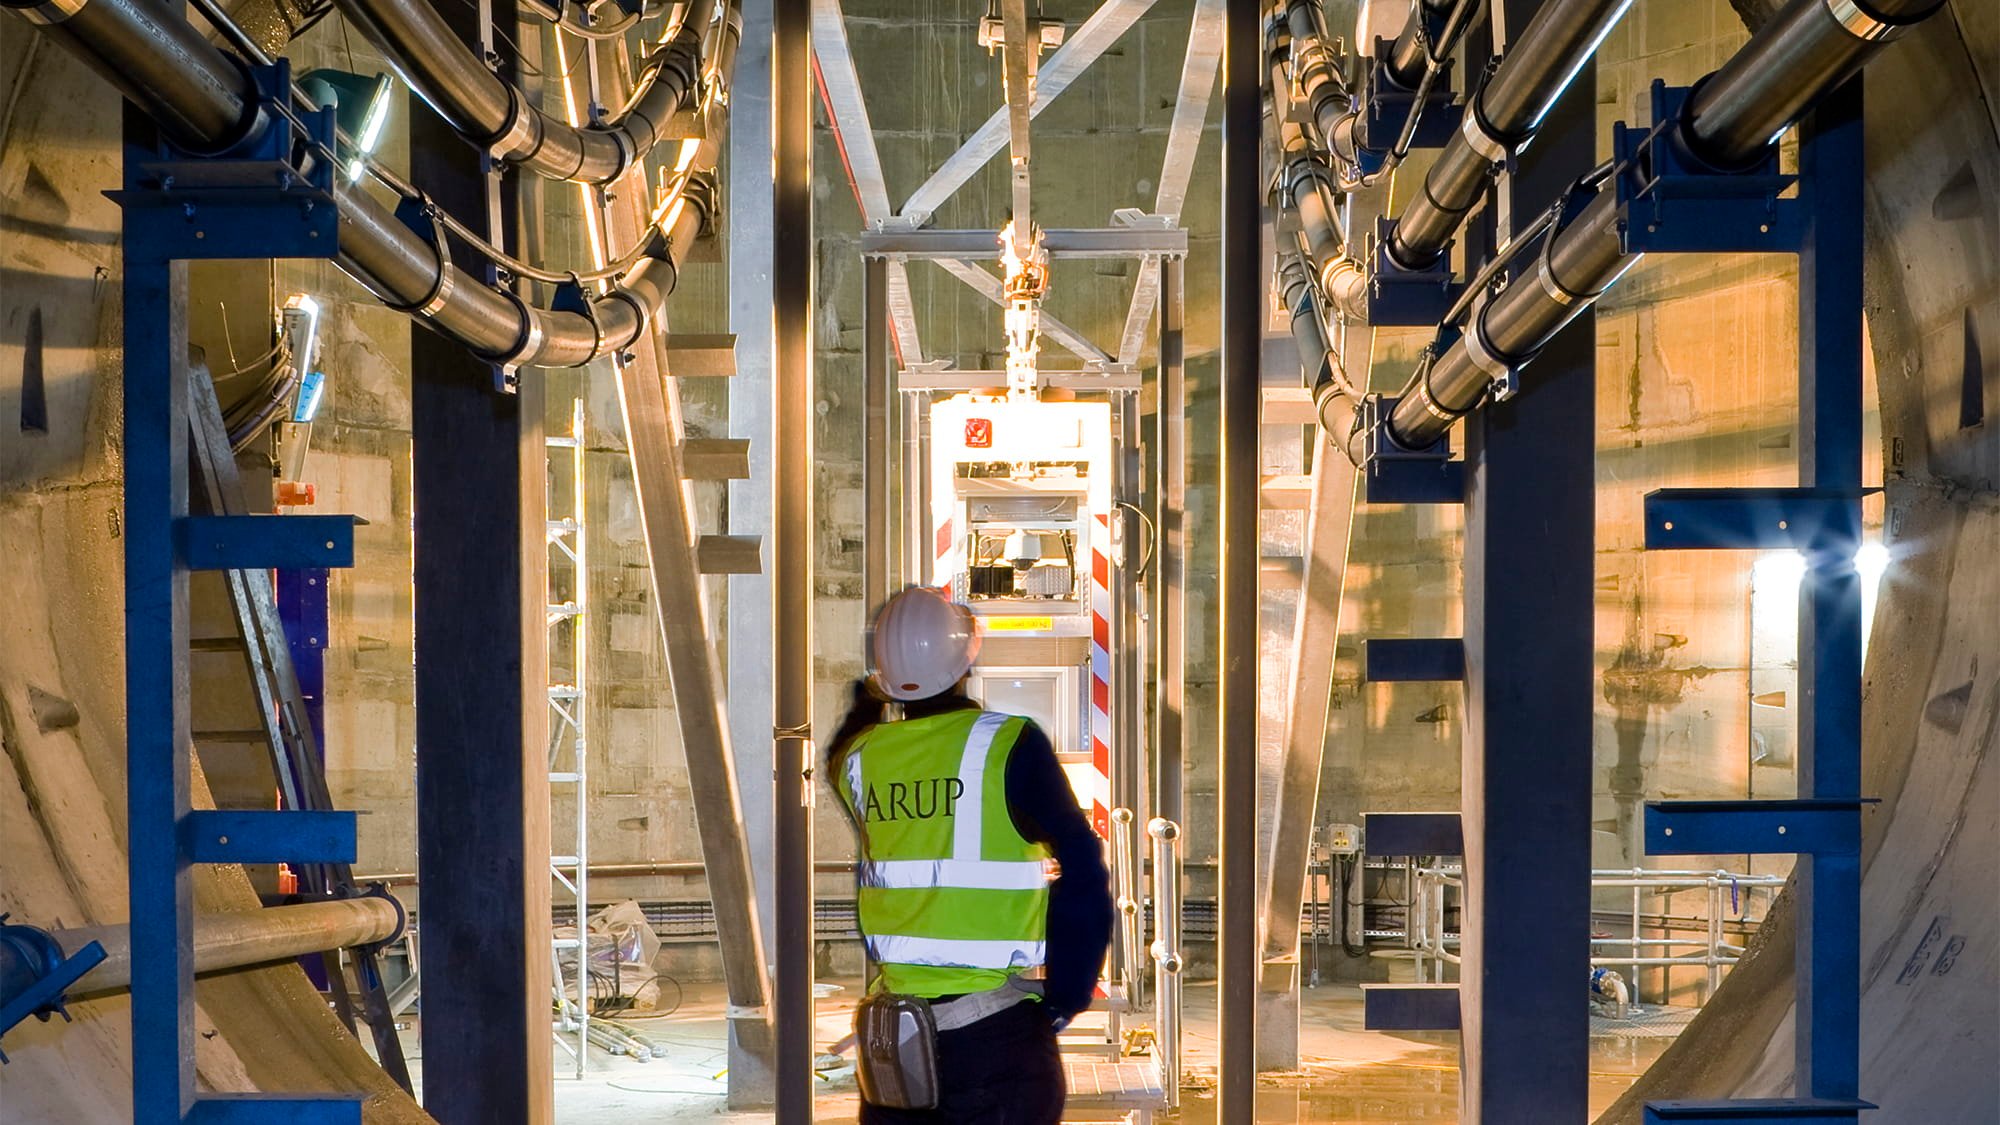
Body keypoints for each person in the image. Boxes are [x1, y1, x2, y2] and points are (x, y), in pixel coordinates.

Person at [828, 586, 1115, 1125]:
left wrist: (869, 697)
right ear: (967, 662)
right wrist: (1066, 995)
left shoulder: (859, 759)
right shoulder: (1008, 745)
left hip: (894, 1040)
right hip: (995, 1039)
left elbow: (844, 743)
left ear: (884, 677)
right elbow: (1082, 866)